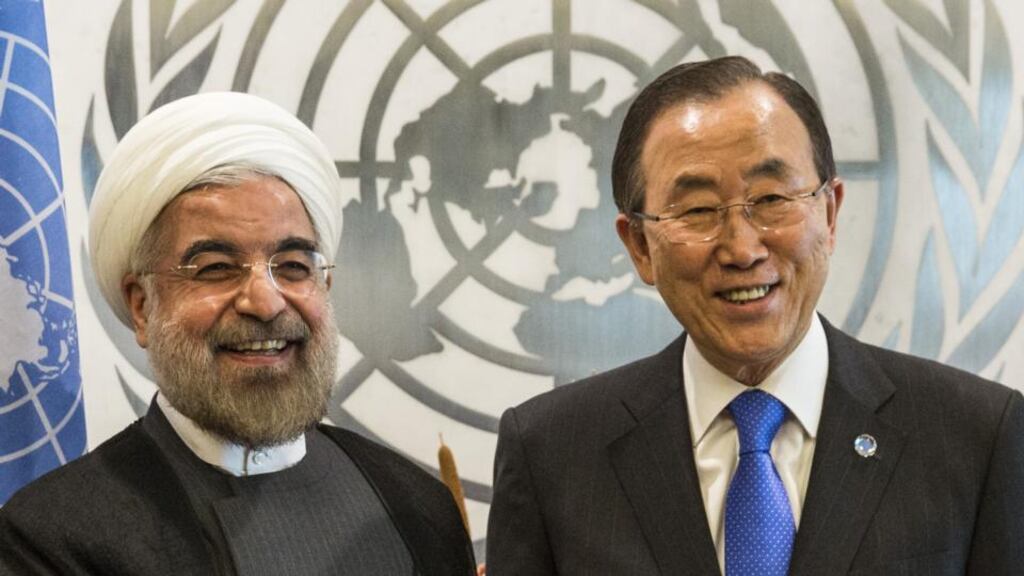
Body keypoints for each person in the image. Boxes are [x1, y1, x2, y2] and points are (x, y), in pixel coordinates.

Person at [486, 56, 1024, 575]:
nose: (742, 248)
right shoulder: (550, 455)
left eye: (771, 199)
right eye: (697, 210)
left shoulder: (976, 437)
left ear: (830, 212)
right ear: (640, 247)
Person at [0, 92, 476, 576]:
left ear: (325, 285)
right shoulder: (55, 538)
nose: (266, 302)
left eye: (292, 266)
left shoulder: (416, 507)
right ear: (142, 307)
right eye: (215, 268)